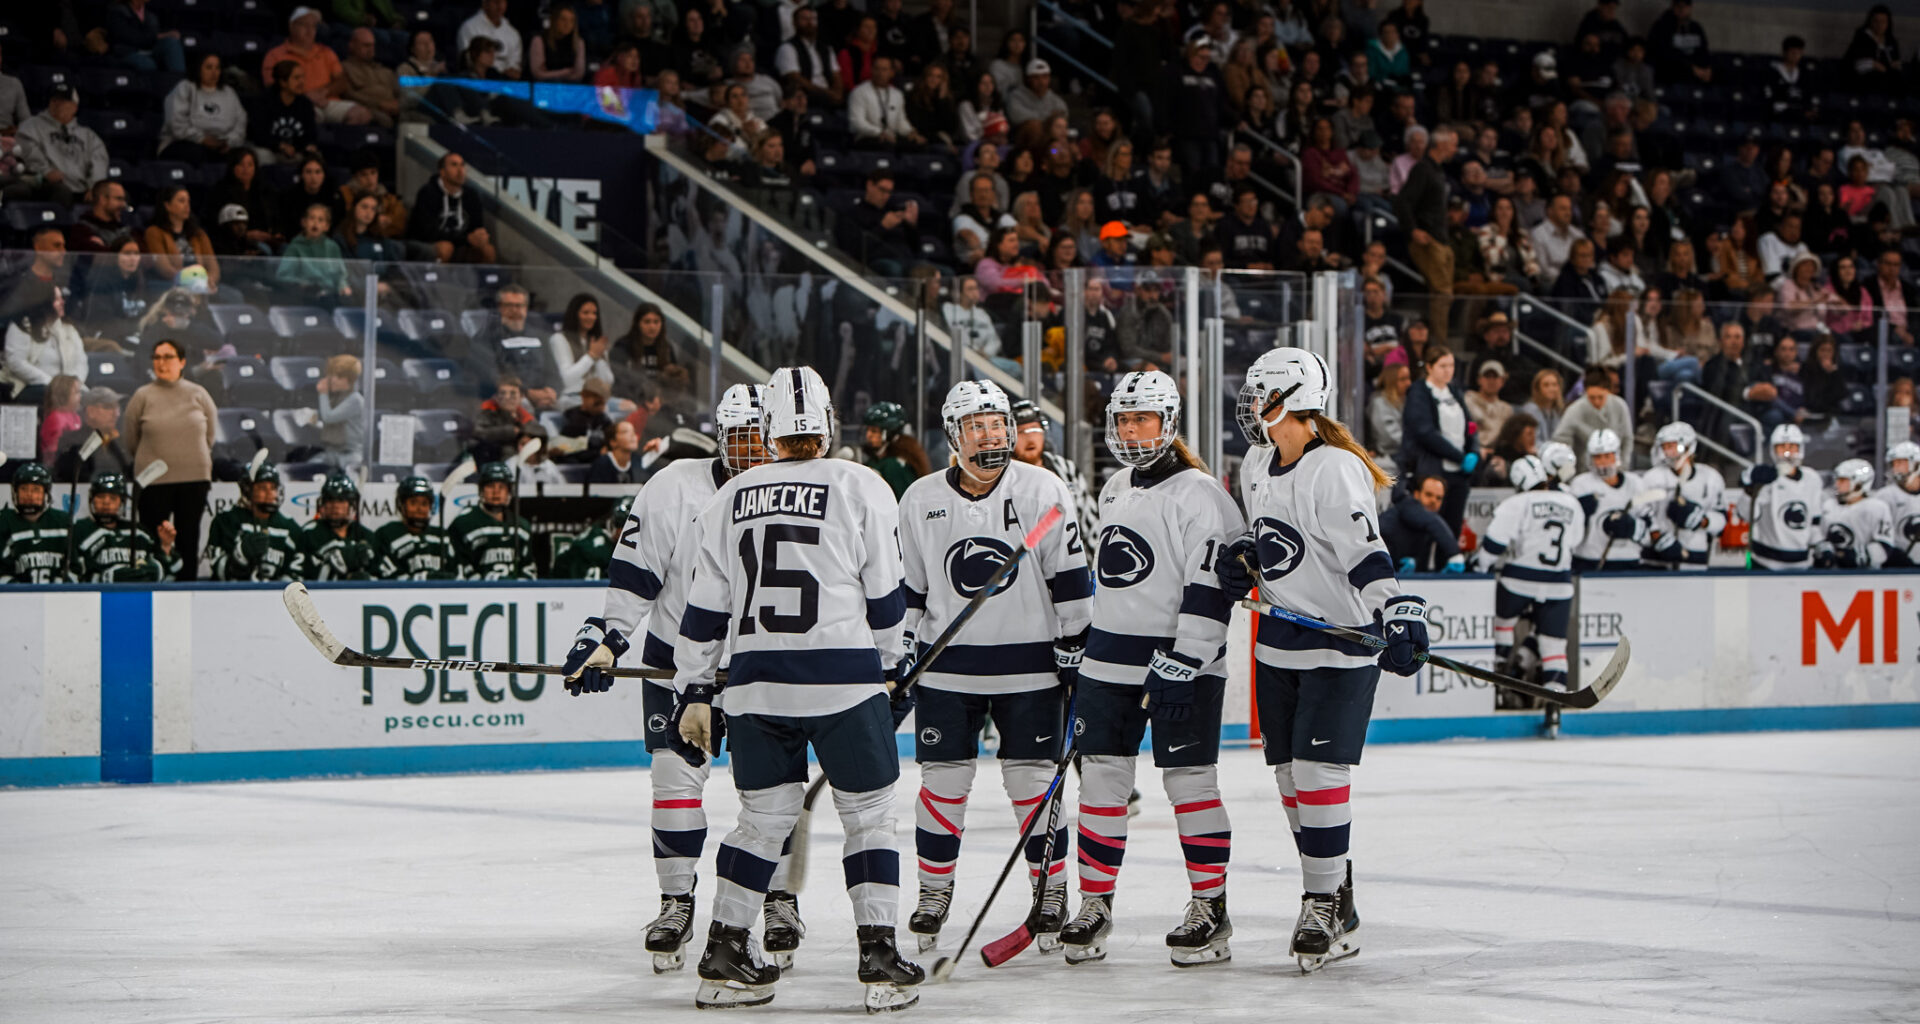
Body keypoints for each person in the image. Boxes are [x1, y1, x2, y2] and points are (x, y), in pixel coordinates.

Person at [664, 366, 921, 1011]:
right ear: (828, 421)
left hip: (755, 687)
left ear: (769, 426)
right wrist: (895, 667)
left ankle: (724, 953)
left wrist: (694, 688)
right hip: (842, 683)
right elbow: (885, 596)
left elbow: (703, 609)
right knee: (869, 819)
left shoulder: (729, 497)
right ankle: (878, 956)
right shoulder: (861, 484)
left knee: (760, 823)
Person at [559, 386, 802, 970]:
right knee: (673, 782)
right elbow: (636, 576)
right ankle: (675, 902)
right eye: (741, 437)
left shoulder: (798, 491)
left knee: (774, 796)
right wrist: (607, 638)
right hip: (675, 662)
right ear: (720, 438)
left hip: (760, 667)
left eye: (761, 437)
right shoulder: (671, 487)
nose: (752, 450)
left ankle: (779, 901)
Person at [1215, 347, 1422, 973]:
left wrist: (1397, 609)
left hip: (1340, 644)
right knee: (1289, 783)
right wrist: (1245, 555)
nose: (1249, 408)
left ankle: (1322, 899)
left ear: (1289, 401)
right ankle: (1340, 894)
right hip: (1279, 644)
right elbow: (1271, 538)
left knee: (1319, 776)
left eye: (1258, 396)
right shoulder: (1256, 461)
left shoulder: (1333, 468)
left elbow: (1365, 553)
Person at [895, 380, 1091, 954]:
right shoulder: (920, 498)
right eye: (977, 426)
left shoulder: (1042, 488)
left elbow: (1070, 578)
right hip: (945, 669)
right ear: (953, 435)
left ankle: (1049, 893)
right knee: (943, 783)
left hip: (1031, 669)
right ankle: (934, 893)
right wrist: (897, 652)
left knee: (1032, 784)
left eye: (998, 424)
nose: (991, 436)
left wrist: (1077, 645)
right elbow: (909, 587)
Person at [1059, 369, 1244, 968]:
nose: (1132, 429)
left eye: (1143, 418)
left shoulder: (1203, 495)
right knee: (1103, 784)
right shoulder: (1114, 486)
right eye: (1124, 419)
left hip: (1180, 665)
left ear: (1169, 423)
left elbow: (1212, 588)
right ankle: (1095, 903)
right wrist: (1082, 645)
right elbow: (1110, 579)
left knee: (1190, 783)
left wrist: (1188, 657)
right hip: (1109, 664)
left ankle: (1209, 907)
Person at [1471, 451, 1584, 689]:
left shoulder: (1517, 503)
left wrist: (1479, 566)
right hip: (1559, 584)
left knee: (1501, 625)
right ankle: (1554, 702)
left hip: (1519, 579)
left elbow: (1494, 545)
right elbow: (1576, 542)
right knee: (1554, 647)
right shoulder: (1572, 503)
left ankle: (1499, 681)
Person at [123, 338, 216, 580]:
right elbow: (131, 439)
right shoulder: (142, 396)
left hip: (193, 478)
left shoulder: (199, 394)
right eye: (156, 357)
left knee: (188, 538)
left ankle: (188, 588)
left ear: (182, 361)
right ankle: (153, 583)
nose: (161, 363)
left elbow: (210, 436)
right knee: (153, 538)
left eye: (168, 357)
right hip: (153, 481)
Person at [1399, 345, 1477, 536]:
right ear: (1429, 367)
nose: (1448, 370)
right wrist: (1459, 457)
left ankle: (1449, 562)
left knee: (1453, 524)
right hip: (1433, 469)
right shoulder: (1419, 391)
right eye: (1442, 366)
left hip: (1458, 471)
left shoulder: (1454, 391)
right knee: (1429, 527)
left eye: (1451, 365)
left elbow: (1470, 426)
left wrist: (1473, 450)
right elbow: (1424, 432)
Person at [1397, 127, 1459, 337]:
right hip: (1429, 240)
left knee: (1443, 295)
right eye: (1453, 144)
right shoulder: (1422, 169)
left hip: (1441, 239)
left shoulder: (1437, 170)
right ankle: (1441, 344)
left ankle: (1439, 342)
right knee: (1442, 294)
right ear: (1441, 144)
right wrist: (1413, 230)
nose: (1455, 149)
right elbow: (1403, 201)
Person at [1637, 422, 1724, 571]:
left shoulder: (1710, 478)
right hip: (1656, 559)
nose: (1669, 452)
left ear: (1689, 446)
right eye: (1665, 447)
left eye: (1674, 446)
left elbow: (1721, 519)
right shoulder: (1651, 478)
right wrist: (1658, 538)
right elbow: (1641, 513)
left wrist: (1702, 520)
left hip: (1695, 557)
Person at [263, 7, 371, 126]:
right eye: (304, 25)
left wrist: (324, 92)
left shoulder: (326, 52)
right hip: (297, 102)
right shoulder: (275, 55)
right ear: (292, 26)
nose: (310, 31)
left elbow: (342, 82)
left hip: (327, 101)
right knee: (305, 114)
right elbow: (273, 87)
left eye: (313, 26)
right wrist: (305, 97)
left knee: (362, 114)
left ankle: (338, 143)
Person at [1738, 424, 1824, 571]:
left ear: (1800, 449)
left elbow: (1814, 522)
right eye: (1782, 447)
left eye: (1792, 447)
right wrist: (1750, 489)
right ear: (1773, 450)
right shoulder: (1765, 478)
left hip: (1802, 563)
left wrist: (1821, 546)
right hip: (1765, 563)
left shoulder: (1812, 479)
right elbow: (1746, 515)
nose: (1787, 453)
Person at [1010, 398, 1095, 544]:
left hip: (1072, 553)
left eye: (1035, 429)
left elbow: (1090, 522)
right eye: (1021, 431)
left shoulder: (1066, 468)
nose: (1030, 437)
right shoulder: (1006, 477)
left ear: (1044, 432)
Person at [205, 460, 306, 581]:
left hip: (273, 597)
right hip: (233, 596)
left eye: (273, 487)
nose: (270, 493)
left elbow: (297, 573)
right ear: (248, 490)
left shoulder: (289, 527)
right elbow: (218, 572)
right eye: (263, 488)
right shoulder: (225, 521)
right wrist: (240, 556)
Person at [71, 472, 181, 582]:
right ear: (92, 499)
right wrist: (109, 577)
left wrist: (166, 547)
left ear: (122, 502)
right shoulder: (80, 530)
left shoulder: (140, 533)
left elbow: (171, 573)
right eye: (100, 496)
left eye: (113, 498)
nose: (106, 502)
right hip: (101, 596)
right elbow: (75, 574)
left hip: (140, 595)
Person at [14, 85, 109, 206]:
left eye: (64, 101)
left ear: (75, 107)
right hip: (48, 185)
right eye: (54, 100)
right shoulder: (30, 126)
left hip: (83, 188)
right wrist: (46, 171)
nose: (58, 104)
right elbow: (29, 153)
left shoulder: (89, 136)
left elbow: (99, 162)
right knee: (61, 191)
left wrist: (95, 187)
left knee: (113, 196)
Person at [1567, 429, 1643, 572]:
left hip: (1628, 559)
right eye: (1598, 457)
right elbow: (1570, 530)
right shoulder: (1581, 484)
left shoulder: (1635, 484)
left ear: (1616, 455)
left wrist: (1632, 528)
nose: (1603, 462)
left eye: (1607, 456)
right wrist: (1580, 515)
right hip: (1589, 559)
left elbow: (1650, 529)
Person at [407, 152, 496, 264]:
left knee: (488, 250)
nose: (460, 170)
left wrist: (480, 237)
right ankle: (438, 280)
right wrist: (466, 239)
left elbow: (477, 227)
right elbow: (428, 233)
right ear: (442, 172)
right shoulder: (428, 193)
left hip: (461, 243)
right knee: (446, 248)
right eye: (454, 165)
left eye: (462, 165)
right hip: (430, 243)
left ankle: (482, 280)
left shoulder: (471, 195)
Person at [450, 461, 533, 579]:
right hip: (478, 594)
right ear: (481, 490)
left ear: (509, 491)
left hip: (514, 595)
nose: (496, 492)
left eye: (502, 487)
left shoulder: (522, 526)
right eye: (490, 486)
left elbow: (529, 568)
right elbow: (460, 567)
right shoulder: (463, 524)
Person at [301, 472, 391, 580]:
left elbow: (381, 575)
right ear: (323, 504)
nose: (335, 506)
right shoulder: (309, 534)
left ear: (352, 504)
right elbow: (303, 575)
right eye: (330, 500)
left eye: (341, 500)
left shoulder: (367, 536)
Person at [159, 52, 246, 163]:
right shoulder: (185, 87)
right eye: (209, 67)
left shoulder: (229, 92)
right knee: (199, 154)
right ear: (198, 69)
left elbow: (240, 122)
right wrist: (202, 139)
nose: (214, 72)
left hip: (222, 145)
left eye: (217, 68)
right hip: (182, 143)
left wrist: (229, 142)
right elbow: (176, 124)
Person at [3, 289, 86, 404]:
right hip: (32, 386)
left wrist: (74, 384)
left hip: (69, 388)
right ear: (44, 303)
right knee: (55, 397)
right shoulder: (22, 326)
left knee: (92, 399)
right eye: (57, 299)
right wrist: (52, 383)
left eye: (62, 298)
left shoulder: (69, 329)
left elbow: (81, 362)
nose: (62, 302)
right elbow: (16, 362)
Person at [372, 476, 457, 579]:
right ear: (401, 505)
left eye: (424, 503)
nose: (419, 509)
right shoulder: (387, 535)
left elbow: (457, 572)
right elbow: (386, 576)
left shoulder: (442, 536)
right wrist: (425, 578)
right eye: (413, 503)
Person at [0, 462, 73, 583]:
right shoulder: (5, 522)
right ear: (15, 492)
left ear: (46, 493)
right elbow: (2, 570)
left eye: (36, 489)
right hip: (16, 599)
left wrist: (59, 587)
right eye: (24, 489)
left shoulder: (62, 522)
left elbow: (74, 567)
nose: (29, 495)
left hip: (59, 597)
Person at [1814, 459, 1894, 570]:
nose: (1837, 484)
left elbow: (1884, 545)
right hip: (1831, 575)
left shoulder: (1876, 507)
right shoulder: (1828, 505)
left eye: (1843, 480)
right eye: (1837, 480)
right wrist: (1823, 550)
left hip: (1867, 575)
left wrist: (1858, 557)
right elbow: (1818, 535)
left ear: (1858, 484)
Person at [143, 185, 220, 293]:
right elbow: (164, 268)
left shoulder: (199, 234)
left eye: (188, 201)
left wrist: (209, 280)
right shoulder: (154, 232)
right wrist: (189, 281)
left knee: (233, 295)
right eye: (181, 201)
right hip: (171, 284)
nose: (187, 205)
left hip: (200, 283)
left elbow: (213, 267)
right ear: (167, 205)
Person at [1380, 474, 1463, 574]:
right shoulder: (1408, 505)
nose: (1433, 501)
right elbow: (1432, 521)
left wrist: (1415, 562)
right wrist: (1455, 555)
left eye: (1439, 498)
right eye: (1428, 494)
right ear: (1416, 494)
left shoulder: (1427, 525)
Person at [860, 401, 931, 497]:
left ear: (889, 432)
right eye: (867, 430)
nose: (868, 435)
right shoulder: (875, 460)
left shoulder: (894, 466)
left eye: (874, 431)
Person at [313, 354, 365, 470]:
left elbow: (329, 417)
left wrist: (323, 393)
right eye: (332, 375)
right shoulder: (337, 397)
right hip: (332, 452)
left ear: (350, 380)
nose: (333, 380)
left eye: (339, 377)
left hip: (350, 455)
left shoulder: (355, 400)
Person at [1874, 442, 1920, 566]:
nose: (1896, 468)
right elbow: (1881, 536)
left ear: (1916, 464)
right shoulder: (1885, 496)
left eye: (1900, 463)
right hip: (1898, 567)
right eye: (1894, 464)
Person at [457, 0, 524, 79]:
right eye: (495, 2)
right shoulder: (469, 27)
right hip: (476, 80)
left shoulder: (513, 33)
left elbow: (515, 66)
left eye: (503, 2)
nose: (500, 6)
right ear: (485, 3)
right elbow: (466, 61)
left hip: (505, 83)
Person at [1463, 359, 1512, 441]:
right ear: (1479, 379)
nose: (1491, 381)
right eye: (1487, 376)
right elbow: (1471, 430)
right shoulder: (1468, 400)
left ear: (1502, 381)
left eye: (1495, 376)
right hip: (1475, 449)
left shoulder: (1507, 409)